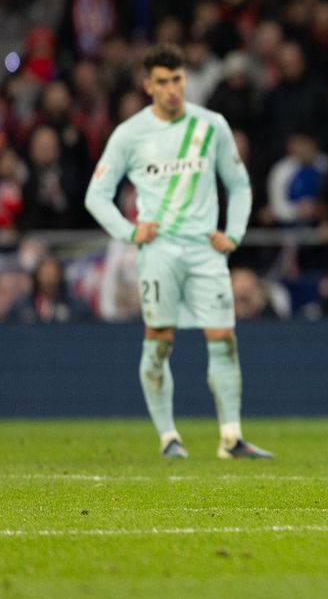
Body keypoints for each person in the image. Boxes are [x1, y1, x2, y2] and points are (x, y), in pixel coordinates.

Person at [84, 43, 271, 460]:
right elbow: (96, 195)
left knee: (223, 339)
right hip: (160, 251)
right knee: (160, 340)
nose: (172, 89)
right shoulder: (130, 134)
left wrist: (234, 234)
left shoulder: (211, 126)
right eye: (163, 82)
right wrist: (129, 232)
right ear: (148, 85)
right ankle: (169, 437)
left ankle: (231, 438)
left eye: (178, 80)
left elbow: (239, 184)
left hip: (206, 250)